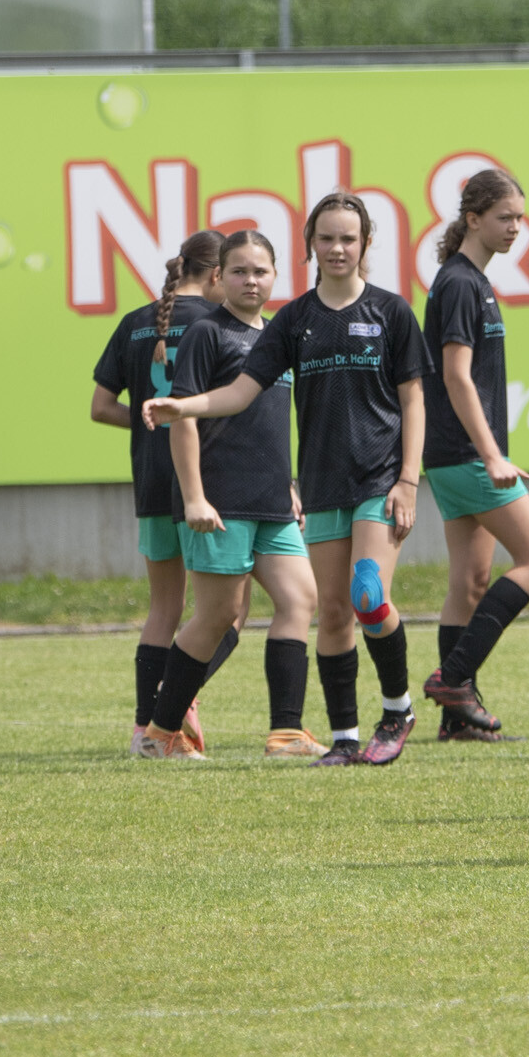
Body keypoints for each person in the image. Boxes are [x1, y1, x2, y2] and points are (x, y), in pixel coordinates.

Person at [148, 191, 428, 767]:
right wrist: (185, 407)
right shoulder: (295, 321)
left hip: (378, 480)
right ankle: (343, 739)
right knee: (330, 611)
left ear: (366, 243)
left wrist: (408, 479)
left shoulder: (392, 311)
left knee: (367, 594)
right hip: (320, 486)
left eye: (348, 238)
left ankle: (396, 709)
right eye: (327, 238)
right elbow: (240, 392)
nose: (337, 248)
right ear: (310, 245)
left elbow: (414, 398)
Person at [136, 231, 324, 759]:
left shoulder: (278, 335)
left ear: (276, 275)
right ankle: (159, 734)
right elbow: (182, 419)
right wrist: (194, 498)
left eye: (260, 271)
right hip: (221, 501)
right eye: (239, 271)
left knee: (299, 599)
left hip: (272, 502)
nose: (251, 281)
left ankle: (285, 733)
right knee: (218, 615)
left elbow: (269, 424)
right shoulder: (206, 332)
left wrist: (288, 485)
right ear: (219, 276)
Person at [418, 168, 529, 740]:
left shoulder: (470, 280)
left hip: (453, 455)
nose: (515, 228)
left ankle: (456, 721)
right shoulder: (460, 283)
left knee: (470, 583)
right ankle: (453, 679)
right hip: (466, 454)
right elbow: (455, 376)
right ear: (472, 219)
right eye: (505, 217)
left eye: (520, 218)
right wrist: (492, 455)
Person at [93, 230, 225, 754]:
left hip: (151, 481)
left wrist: (149, 420)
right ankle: (178, 696)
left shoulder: (133, 322)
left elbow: (101, 407)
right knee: (226, 610)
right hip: (207, 484)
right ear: (216, 274)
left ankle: (143, 726)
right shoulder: (218, 322)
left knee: (164, 608)